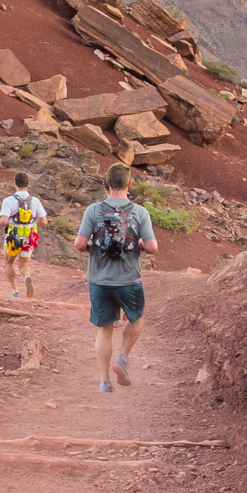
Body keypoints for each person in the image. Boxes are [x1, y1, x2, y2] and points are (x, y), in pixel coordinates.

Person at [75, 163, 159, 393]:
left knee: (104, 329)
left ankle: (104, 382)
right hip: (129, 279)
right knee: (137, 317)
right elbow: (152, 248)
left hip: (99, 280)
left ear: (107, 183)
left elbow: (80, 244)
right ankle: (122, 357)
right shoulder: (140, 212)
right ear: (130, 184)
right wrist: (139, 243)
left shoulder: (93, 210)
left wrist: (90, 247)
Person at [0, 173, 48, 300]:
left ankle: (15, 291)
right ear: (28, 183)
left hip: (13, 237)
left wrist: (6, 223)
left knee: (9, 262)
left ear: (15, 183)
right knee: (24, 264)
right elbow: (44, 221)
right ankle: (27, 277)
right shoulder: (35, 201)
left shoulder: (9, 200)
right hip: (29, 238)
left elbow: (4, 221)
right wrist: (33, 225)